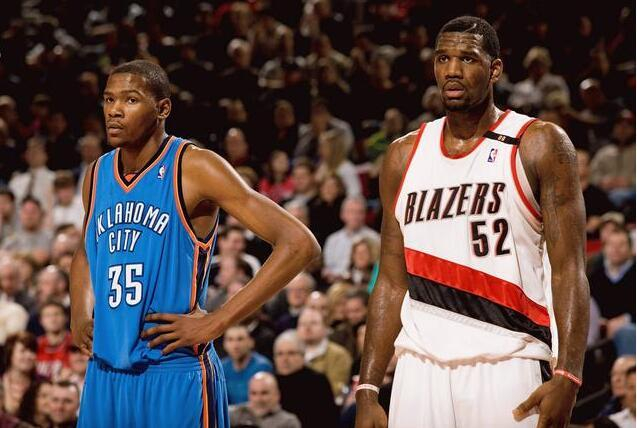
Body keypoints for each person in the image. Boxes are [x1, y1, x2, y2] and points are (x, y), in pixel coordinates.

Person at [356, 17, 589, 428]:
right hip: (418, 366)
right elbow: (391, 281)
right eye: (443, 58)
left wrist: (568, 375)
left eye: (467, 59)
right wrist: (368, 388)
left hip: (509, 357)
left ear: (494, 69)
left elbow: (569, 268)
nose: (452, 70)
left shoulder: (538, 144)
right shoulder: (403, 156)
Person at [70, 60, 320, 427]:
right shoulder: (96, 173)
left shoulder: (194, 167)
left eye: (130, 100)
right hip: (105, 374)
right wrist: (79, 311)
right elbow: (85, 251)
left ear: (163, 109)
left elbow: (299, 244)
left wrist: (217, 321)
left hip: (173, 371)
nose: (115, 110)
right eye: (109, 99)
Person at [273, 331, 338, 428]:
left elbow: (328, 419)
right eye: (280, 354)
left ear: (303, 355)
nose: (284, 359)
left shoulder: (317, 382)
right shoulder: (270, 382)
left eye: (291, 353)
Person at [296, 307, 353, 396]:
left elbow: (337, 387)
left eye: (313, 323)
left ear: (325, 327)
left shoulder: (339, 354)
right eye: (303, 324)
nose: (307, 328)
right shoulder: (291, 352)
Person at [221, 324, 273, 405]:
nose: (235, 345)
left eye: (240, 339)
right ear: (224, 344)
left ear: (251, 342)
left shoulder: (262, 366)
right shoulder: (221, 367)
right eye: (230, 340)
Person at [228, 371, 301, 428]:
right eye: (254, 393)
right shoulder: (234, 415)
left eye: (264, 393)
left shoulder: (288, 422)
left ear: (277, 395)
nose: (258, 399)